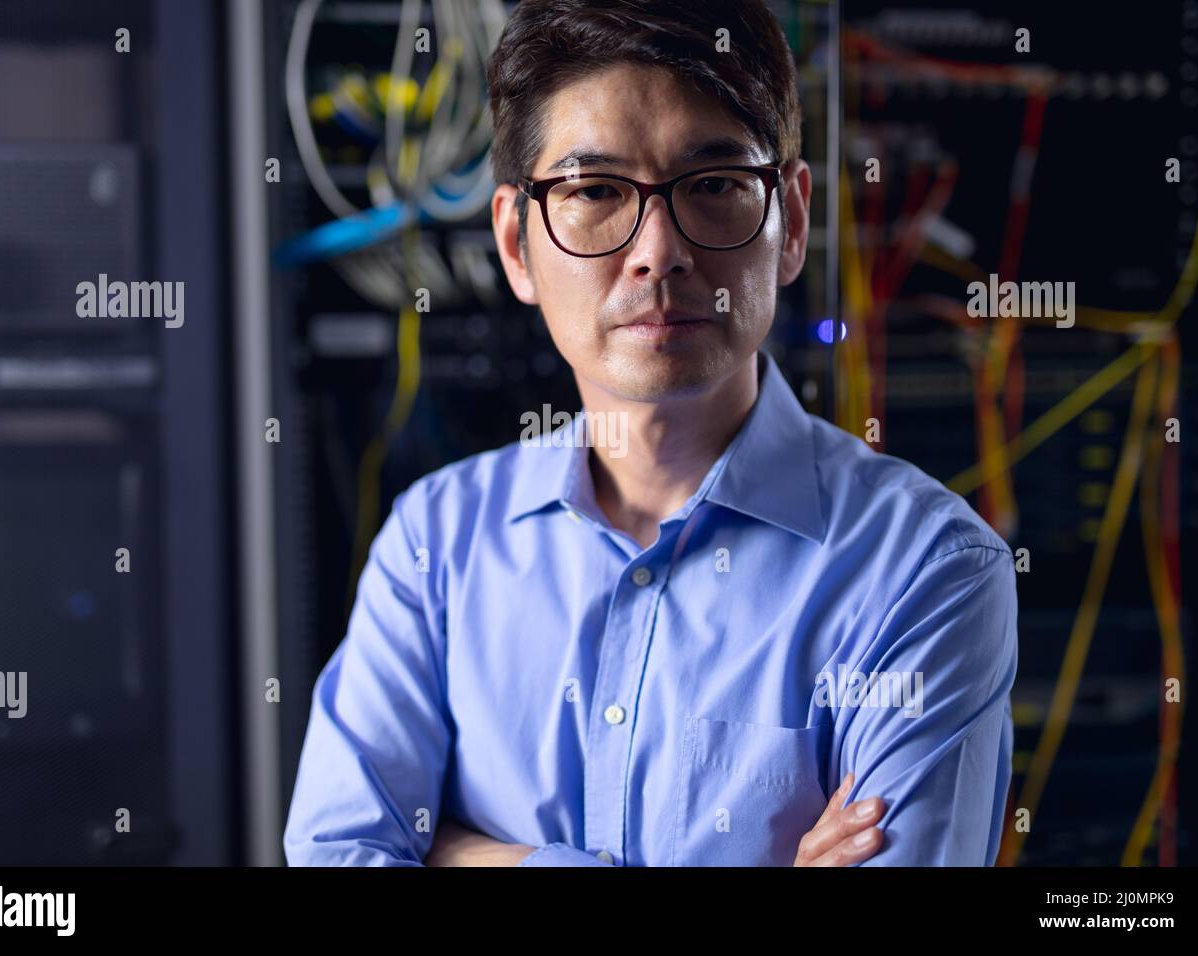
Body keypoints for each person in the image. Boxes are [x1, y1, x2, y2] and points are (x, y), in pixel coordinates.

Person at [284, 0, 1017, 867]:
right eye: (596, 191)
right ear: (517, 244)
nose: (659, 252)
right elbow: (339, 853)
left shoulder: (925, 570)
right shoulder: (436, 544)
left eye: (712, 187)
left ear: (792, 221)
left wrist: (463, 854)